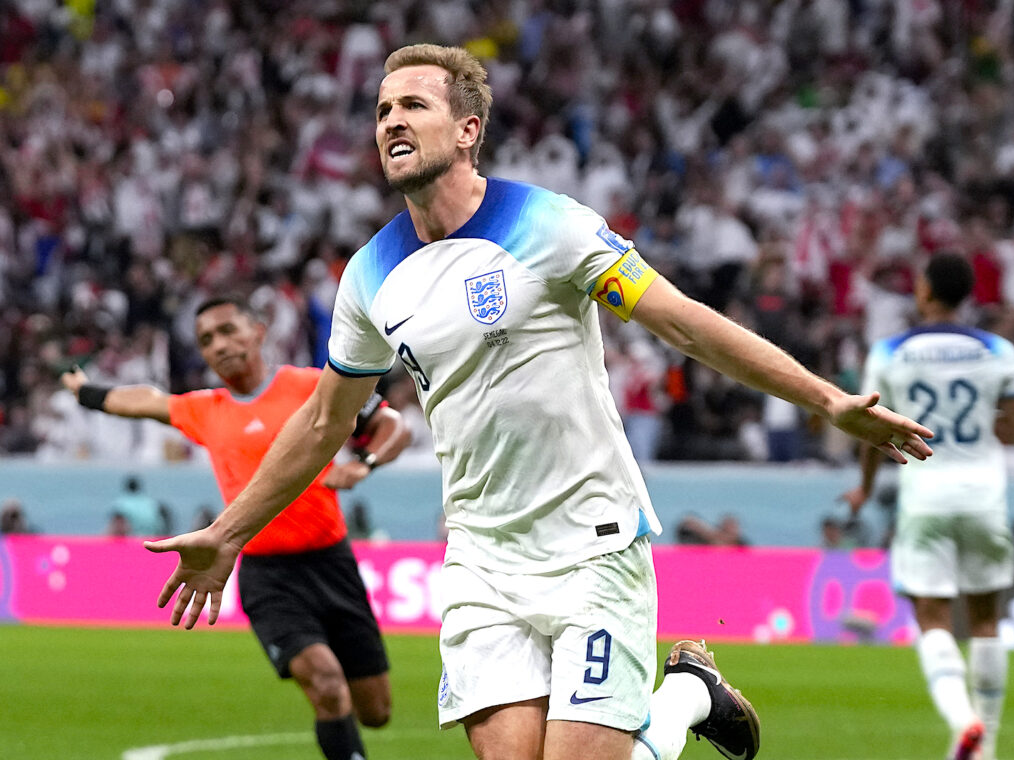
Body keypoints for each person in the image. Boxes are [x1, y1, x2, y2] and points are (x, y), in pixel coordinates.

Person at [143, 45, 933, 760]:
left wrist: (827, 401)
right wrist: (228, 532)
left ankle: (687, 694)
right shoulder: (370, 275)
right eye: (382, 110)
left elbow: (682, 324)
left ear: (467, 130)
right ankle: (692, 693)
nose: (391, 121)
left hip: (590, 542)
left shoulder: (548, 224)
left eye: (413, 105)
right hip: (481, 558)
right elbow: (324, 421)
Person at [61, 296, 411, 760]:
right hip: (267, 576)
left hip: (333, 563)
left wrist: (362, 463)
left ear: (258, 332)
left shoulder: (311, 386)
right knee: (326, 683)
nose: (219, 345)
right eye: (206, 340)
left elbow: (394, 425)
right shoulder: (207, 408)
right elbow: (147, 401)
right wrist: (87, 392)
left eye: (228, 330)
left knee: (376, 710)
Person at [842, 252, 1014, 760]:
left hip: (925, 496)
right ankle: (985, 742)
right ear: (968, 294)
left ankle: (961, 719)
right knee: (987, 618)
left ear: (925, 292)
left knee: (932, 616)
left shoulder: (890, 352)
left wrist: (863, 489)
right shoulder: (999, 350)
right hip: (984, 495)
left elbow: (869, 429)